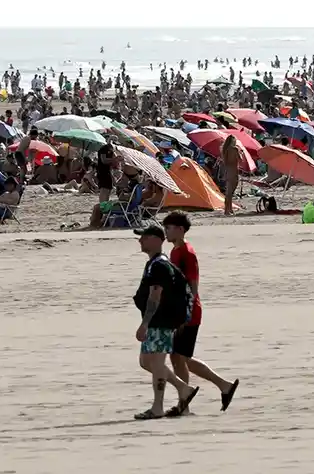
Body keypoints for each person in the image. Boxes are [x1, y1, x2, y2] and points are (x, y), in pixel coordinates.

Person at [162, 213, 240, 416]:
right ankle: (223, 386)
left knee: (179, 358)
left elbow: (193, 286)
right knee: (179, 358)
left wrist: (183, 314)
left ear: (180, 229)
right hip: (180, 311)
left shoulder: (187, 253)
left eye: (169, 228)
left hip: (188, 312)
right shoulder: (175, 251)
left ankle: (185, 405)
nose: (166, 232)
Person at [131, 225, 199, 420]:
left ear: (156, 239)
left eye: (144, 237)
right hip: (158, 321)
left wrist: (145, 323)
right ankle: (183, 388)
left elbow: (155, 296)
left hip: (161, 321)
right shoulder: (155, 263)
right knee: (146, 361)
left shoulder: (160, 265)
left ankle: (157, 407)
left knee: (157, 362)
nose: (140, 241)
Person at [220, 135, 241, 216]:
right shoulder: (235, 149)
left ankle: (229, 209)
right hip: (233, 170)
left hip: (227, 170)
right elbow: (240, 159)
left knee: (228, 191)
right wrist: (240, 151)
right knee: (230, 192)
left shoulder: (225, 149)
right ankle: (227, 210)